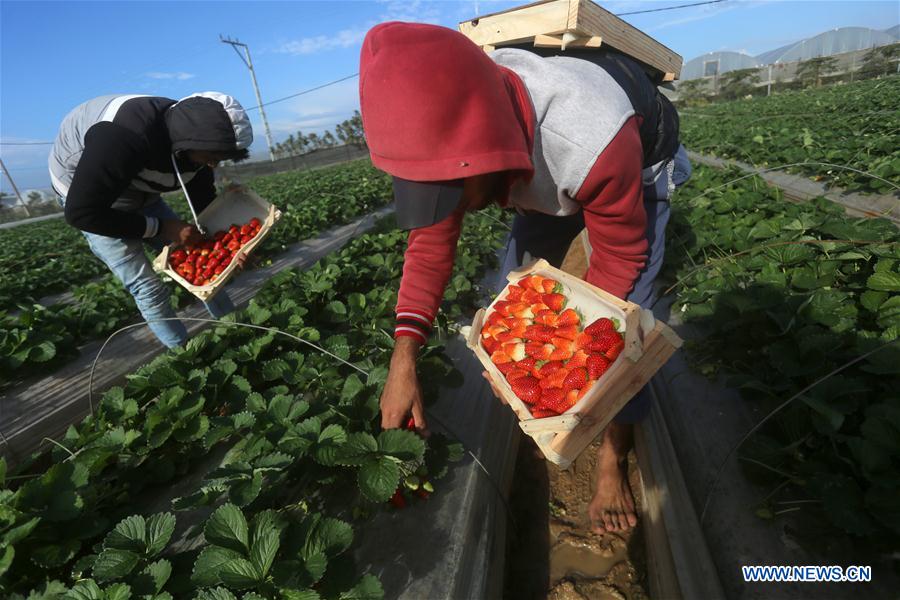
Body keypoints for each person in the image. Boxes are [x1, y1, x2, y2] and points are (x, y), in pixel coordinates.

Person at [359, 22, 692, 535]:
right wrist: (403, 360)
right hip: (530, 164)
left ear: (487, 150)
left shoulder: (589, 136)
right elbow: (429, 245)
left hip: (635, 163)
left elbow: (620, 256)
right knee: (514, 301)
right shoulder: (454, 145)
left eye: (456, 193)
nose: (459, 209)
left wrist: (577, 362)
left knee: (629, 331)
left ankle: (611, 462)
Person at [48, 92, 253, 348]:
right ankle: (184, 357)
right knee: (149, 288)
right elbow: (82, 213)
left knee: (200, 252)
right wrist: (163, 228)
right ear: (189, 141)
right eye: (211, 156)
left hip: (138, 188)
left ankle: (236, 331)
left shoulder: (196, 145)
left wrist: (226, 251)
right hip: (91, 199)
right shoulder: (122, 137)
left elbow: (204, 207)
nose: (213, 164)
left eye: (219, 159)